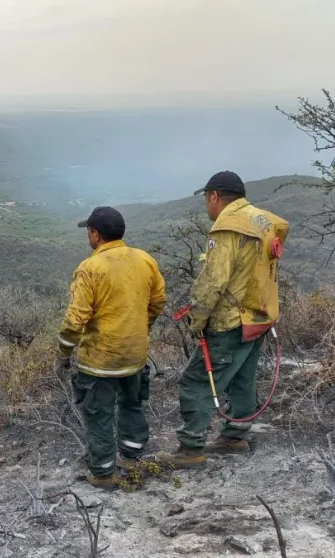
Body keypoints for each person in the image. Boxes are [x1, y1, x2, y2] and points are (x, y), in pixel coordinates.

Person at [157, 171, 289, 470]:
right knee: (243, 378)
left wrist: (197, 319)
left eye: (207, 199)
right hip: (259, 317)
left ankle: (190, 448)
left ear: (214, 196)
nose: (207, 206)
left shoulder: (227, 228)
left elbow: (213, 281)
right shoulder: (263, 221)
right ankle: (235, 436)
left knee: (195, 382)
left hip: (230, 321)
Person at [56, 206, 167, 488]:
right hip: (135, 354)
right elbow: (157, 302)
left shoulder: (90, 269)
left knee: (98, 414)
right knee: (132, 404)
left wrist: (63, 353)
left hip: (100, 361)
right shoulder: (145, 260)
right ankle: (132, 455)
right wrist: (142, 328)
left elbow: (75, 319)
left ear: (95, 234)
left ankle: (103, 472)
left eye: (89, 231)